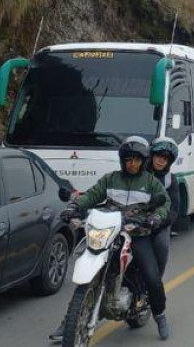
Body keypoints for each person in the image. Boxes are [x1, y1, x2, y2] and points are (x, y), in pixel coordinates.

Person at [50, 136, 171, 342]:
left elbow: (164, 203)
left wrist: (156, 217)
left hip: (137, 233)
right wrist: (75, 207)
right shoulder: (111, 179)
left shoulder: (150, 182)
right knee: (90, 272)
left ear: (143, 161)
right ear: (122, 160)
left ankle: (160, 315)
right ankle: (70, 320)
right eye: (129, 159)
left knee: (152, 277)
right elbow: (92, 195)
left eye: (137, 160)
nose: (133, 164)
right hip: (109, 229)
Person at [148, 136, 181, 277]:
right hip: (132, 219)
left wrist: (160, 221)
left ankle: (156, 282)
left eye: (165, 158)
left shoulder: (170, 180)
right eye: (158, 156)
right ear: (151, 156)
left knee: (162, 245)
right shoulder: (138, 173)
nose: (161, 160)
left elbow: (173, 209)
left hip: (157, 223)